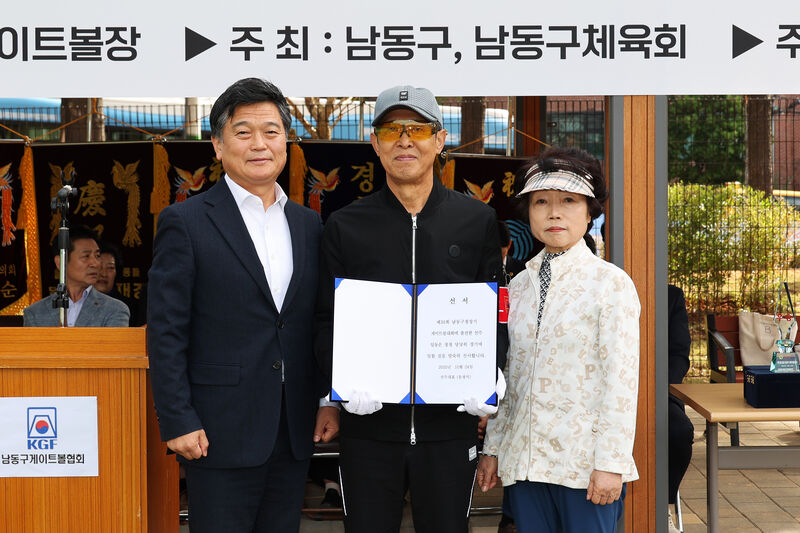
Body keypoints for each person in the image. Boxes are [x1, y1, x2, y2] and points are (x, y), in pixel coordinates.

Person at [147, 77, 339, 533]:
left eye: (271, 131)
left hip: (293, 429)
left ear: (286, 142)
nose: (259, 144)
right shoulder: (185, 222)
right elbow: (167, 330)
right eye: (243, 132)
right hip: (217, 431)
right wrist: (177, 419)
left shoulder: (308, 224)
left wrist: (328, 399)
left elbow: (319, 320)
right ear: (217, 145)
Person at [315, 85, 507, 533]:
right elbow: (325, 318)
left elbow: (494, 312)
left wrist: (490, 376)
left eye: (418, 129)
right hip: (369, 427)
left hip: (449, 428)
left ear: (440, 141)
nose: (404, 140)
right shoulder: (345, 225)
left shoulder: (476, 220)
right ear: (375, 143)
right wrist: (336, 389)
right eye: (391, 130)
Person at [477, 147, 641, 533]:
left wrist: (611, 463)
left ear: (590, 212)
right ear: (528, 213)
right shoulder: (518, 286)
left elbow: (621, 381)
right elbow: (510, 375)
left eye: (568, 201)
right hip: (526, 463)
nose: (554, 212)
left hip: (584, 466)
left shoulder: (610, 284)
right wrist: (493, 449)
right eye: (541, 202)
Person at [23, 225, 129, 327]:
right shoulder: (35, 313)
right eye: (86, 256)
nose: (95, 263)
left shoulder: (114, 309)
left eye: (97, 256)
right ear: (60, 262)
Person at [667, 284, 693, 533]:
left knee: (679, 432)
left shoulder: (671, 296)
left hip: (659, 392)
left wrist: (659, 389)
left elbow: (679, 354)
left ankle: (662, 505)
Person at [96, 240, 146, 326]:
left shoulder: (128, 307)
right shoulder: (77, 301)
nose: (104, 274)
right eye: (99, 267)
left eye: (110, 268)